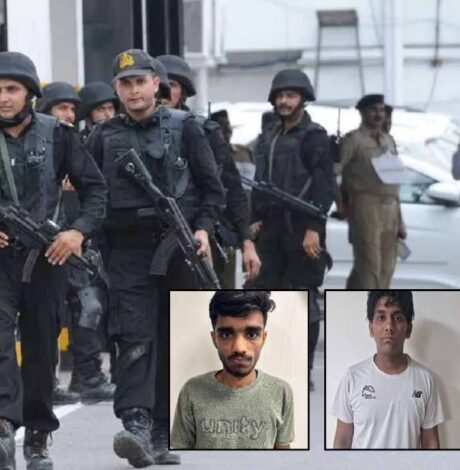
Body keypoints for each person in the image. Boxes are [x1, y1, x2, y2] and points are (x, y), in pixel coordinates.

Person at [0, 51, 107, 470]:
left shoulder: (59, 135)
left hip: (47, 259)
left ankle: (37, 436)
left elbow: (96, 192)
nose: (4, 97)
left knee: (41, 353)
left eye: (12, 89)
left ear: (29, 93)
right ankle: (0, 428)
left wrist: (76, 233)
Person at [86, 49, 225, 467]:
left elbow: (212, 190)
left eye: (139, 82)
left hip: (179, 248)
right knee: (134, 337)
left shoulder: (186, 128)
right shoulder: (103, 136)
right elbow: (90, 193)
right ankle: (136, 423)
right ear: (117, 89)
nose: (133, 91)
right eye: (125, 84)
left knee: (175, 339)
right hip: (127, 252)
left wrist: (203, 230)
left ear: (155, 84)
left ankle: (163, 429)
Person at [246, 69, 334, 393]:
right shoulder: (269, 135)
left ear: (303, 99)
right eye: (280, 96)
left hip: (302, 226)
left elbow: (325, 186)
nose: (284, 101)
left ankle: (302, 368)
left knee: (303, 299)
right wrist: (254, 219)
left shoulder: (315, 137)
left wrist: (314, 229)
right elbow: (259, 180)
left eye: (291, 96)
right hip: (271, 227)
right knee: (264, 294)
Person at [37, 81, 116, 405]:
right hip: (39, 243)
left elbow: (95, 192)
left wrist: (83, 233)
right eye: (62, 108)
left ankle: (88, 375)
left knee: (88, 306)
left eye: (72, 109)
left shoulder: (78, 146)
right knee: (46, 317)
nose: (69, 114)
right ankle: (45, 383)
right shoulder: (37, 143)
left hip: (77, 240)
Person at [156, 55, 261, 288]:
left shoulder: (204, 132)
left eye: (171, 85)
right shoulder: (133, 132)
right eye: (158, 83)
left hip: (199, 235)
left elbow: (231, 188)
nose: (163, 91)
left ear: (183, 91)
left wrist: (247, 242)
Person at [171, 291, 294, 449]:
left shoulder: (281, 391)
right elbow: (181, 453)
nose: (239, 348)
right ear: (214, 339)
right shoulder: (192, 390)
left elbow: (283, 454)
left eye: (251, 334)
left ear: (263, 338)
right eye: (226, 334)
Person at [332, 291, 444, 449]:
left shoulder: (426, 380)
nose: (389, 327)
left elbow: (430, 442)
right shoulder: (353, 378)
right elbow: (342, 441)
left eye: (397, 318)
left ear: (408, 329)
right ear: (371, 328)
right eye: (381, 317)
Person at [339, 94, 406, 289]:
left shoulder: (388, 140)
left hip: (390, 207)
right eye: (373, 110)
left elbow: (394, 182)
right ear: (362, 113)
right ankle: (365, 301)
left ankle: (374, 299)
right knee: (369, 265)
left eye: (382, 110)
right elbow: (333, 173)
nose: (379, 114)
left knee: (387, 266)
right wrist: (341, 206)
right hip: (365, 206)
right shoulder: (354, 140)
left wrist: (400, 220)